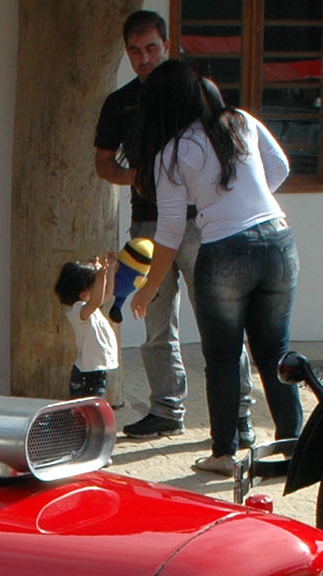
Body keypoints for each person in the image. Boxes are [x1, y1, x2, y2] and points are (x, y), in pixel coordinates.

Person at [129, 59, 300, 479]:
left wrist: (149, 289)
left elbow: (169, 231)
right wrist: (248, 201)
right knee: (274, 351)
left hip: (224, 251)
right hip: (278, 239)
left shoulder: (172, 153)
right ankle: (295, 448)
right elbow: (279, 168)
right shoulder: (241, 121)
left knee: (223, 356)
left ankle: (225, 454)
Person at [93, 11, 247, 439]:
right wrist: (136, 176)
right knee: (155, 321)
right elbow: (103, 163)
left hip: (204, 223)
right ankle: (166, 409)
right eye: (135, 51)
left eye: (152, 48)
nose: (144, 59)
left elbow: (229, 145)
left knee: (220, 323)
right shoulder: (120, 102)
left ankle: (239, 415)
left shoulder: (201, 92)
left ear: (167, 44)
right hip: (148, 223)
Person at [54, 258, 118, 400]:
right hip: (87, 376)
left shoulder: (88, 309)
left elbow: (106, 294)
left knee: (89, 411)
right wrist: (101, 275)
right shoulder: (78, 311)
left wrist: (111, 269)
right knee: (88, 412)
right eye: (95, 285)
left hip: (93, 371)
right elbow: (96, 300)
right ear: (83, 294)